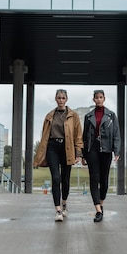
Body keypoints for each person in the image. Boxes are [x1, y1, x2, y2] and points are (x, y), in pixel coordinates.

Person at [34, 89, 83, 222]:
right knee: (56, 178)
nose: (61, 100)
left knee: (65, 179)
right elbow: (44, 135)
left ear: (66, 99)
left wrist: (78, 153)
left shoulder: (74, 115)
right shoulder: (50, 115)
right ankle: (58, 210)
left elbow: (78, 135)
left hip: (67, 148)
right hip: (53, 148)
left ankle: (64, 202)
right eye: (59, 98)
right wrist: (42, 151)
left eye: (63, 98)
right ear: (55, 99)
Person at [82, 89, 121, 222]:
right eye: (96, 98)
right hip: (91, 150)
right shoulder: (88, 117)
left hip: (106, 150)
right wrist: (82, 155)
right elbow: (84, 136)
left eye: (101, 97)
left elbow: (116, 134)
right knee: (94, 178)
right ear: (93, 100)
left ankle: (102, 203)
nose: (98, 99)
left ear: (104, 99)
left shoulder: (111, 115)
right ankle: (98, 210)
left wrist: (117, 151)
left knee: (104, 180)